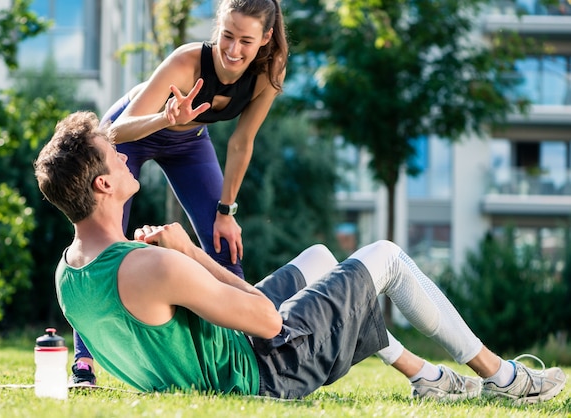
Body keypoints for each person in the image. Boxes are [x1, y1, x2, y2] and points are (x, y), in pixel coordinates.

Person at [35, 111, 567, 403]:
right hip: (262, 373)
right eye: (115, 155)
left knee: (317, 260)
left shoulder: (68, 274)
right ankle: (503, 378)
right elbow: (268, 323)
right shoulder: (151, 264)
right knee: (383, 257)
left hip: (218, 359)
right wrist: (192, 253)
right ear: (104, 183)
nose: (127, 157)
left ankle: (423, 375)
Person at [67, 0, 289, 382]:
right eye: (227, 37)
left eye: (246, 42)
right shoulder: (186, 62)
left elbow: (241, 142)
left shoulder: (269, 71)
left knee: (224, 244)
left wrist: (226, 211)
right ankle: (84, 364)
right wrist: (164, 117)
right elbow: (114, 132)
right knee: (105, 245)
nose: (234, 50)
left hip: (189, 143)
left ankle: (244, 353)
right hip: (130, 139)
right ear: (217, 27)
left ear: (265, 38)